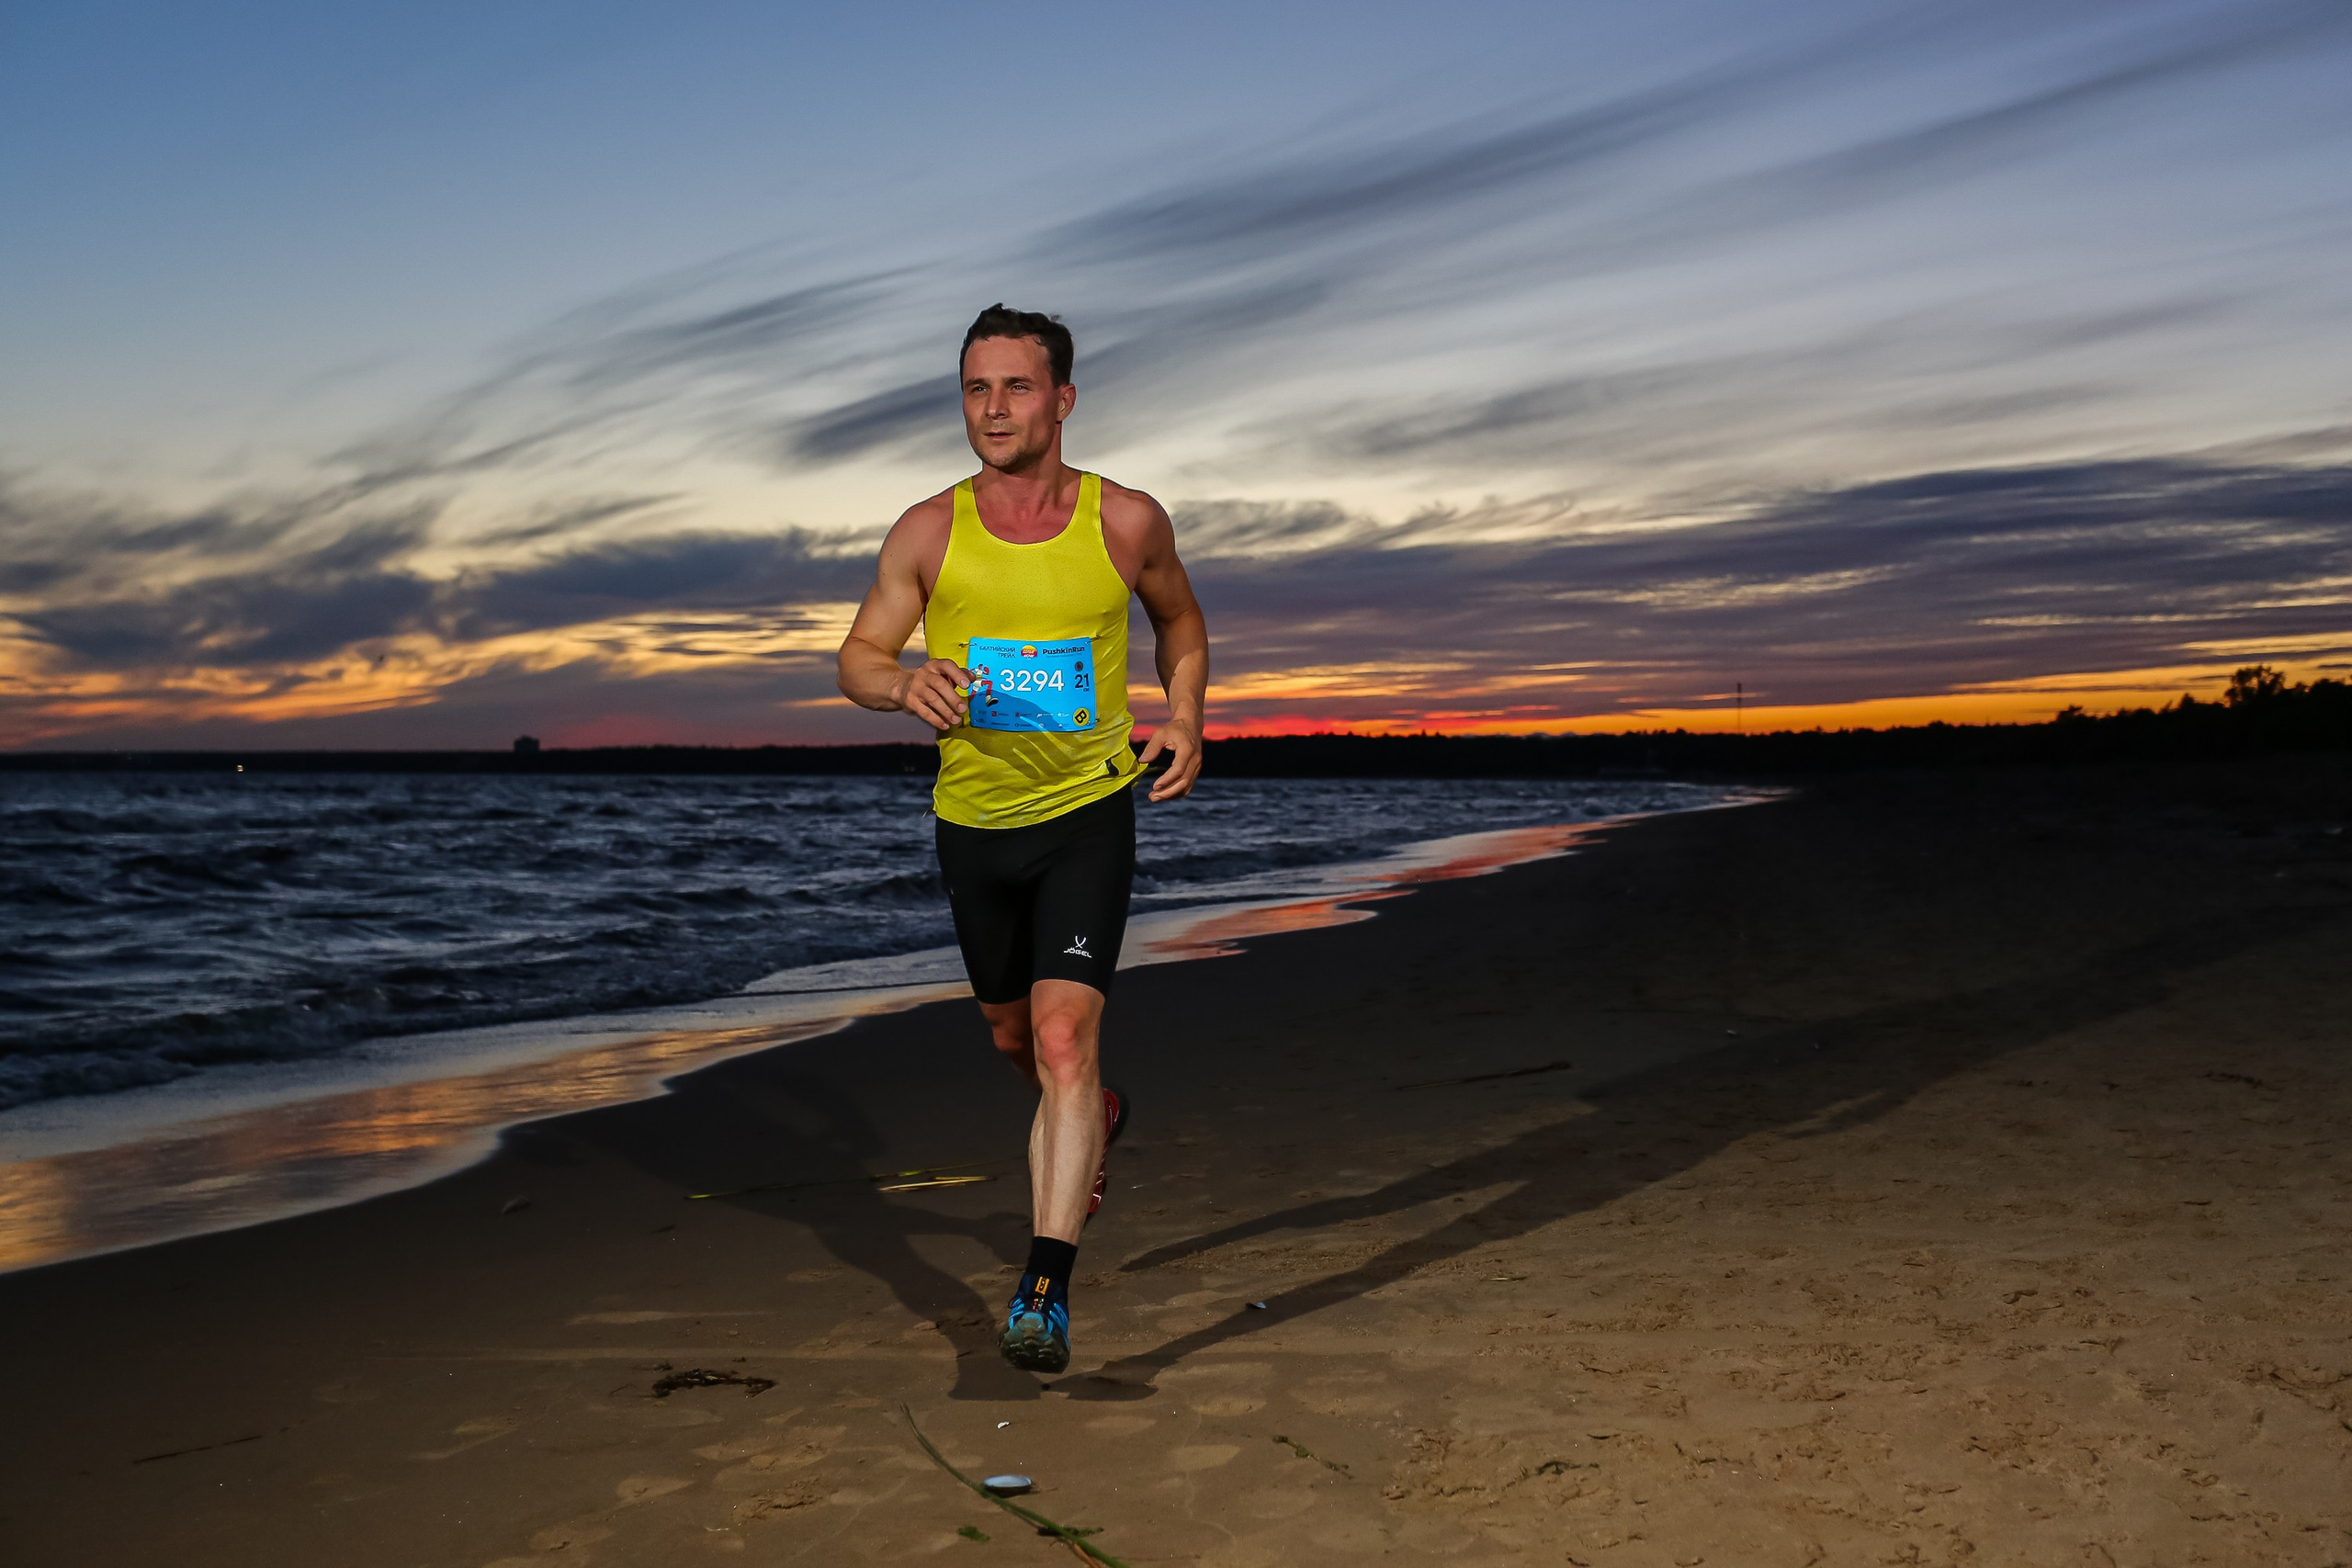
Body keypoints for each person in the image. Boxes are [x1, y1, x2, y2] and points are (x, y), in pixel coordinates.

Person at [836, 304, 1209, 1374]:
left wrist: (1182, 715)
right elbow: (856, 657)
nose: (992, 408)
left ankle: (1043, 1289)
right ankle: (1094, 1112)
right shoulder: (928, 529)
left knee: (1060, 1043)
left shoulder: (1126, 520)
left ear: (1062, 400)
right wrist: (901, 680)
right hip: (974, 827)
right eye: (974, 389)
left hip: (1088, 811)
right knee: (1015, 1042)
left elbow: (1180, 622)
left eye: (1014, 386)